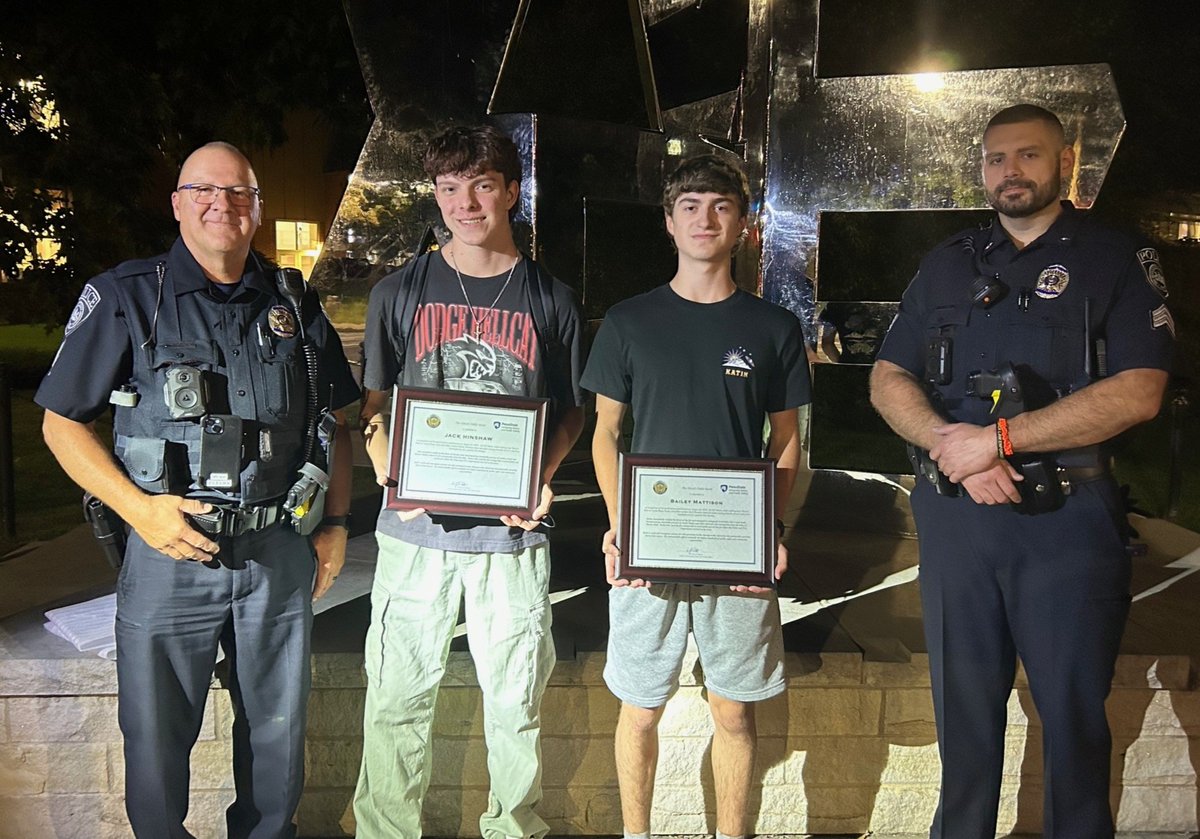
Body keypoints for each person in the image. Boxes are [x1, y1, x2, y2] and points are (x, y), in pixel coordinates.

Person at [36, 141, 358, 838]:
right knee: (156, 738)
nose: (223, 205)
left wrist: (335, 523)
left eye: (239, 193)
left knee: (277, 740)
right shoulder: (127, 295)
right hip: (170, 549)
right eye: (205, 191)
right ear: (178, 203)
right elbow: (62, 424)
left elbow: (337, 421)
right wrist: (138, 510)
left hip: (276, 549)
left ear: (258, 209)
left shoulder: (293, 303)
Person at [870, 104, 1173, 838]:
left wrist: (998, 440)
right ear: (982, 169)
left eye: (1029, 156)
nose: (1012, 171)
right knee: (963, 717)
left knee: (1072, 719)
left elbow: (1140, 389)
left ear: (1065, 163)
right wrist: (952, 442)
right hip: (959, 522)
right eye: (997, 158)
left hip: (1065, 525)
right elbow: (887, 377)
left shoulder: (1114, 259)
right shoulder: (947, 262)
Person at [353, 125, 586, 839]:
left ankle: (514, 828)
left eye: (481, 184)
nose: (465, 202)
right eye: (449, 187)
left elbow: (572, 410)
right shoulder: (400, 291)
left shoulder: (551, 298)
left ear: (512, 190)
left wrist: (538, 479)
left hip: (511, 541)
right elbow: (373, 408)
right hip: (413, 536)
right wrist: (391, 466)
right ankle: (385, 831)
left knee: (515, 705)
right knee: (396, 700)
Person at [582, 155, 810, 839]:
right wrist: (621, 526)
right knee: (641, 707)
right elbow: (604, 434)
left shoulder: (773, 327)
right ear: (669, 221)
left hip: (734, 553)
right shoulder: (628, 321)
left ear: (744, 222)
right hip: (646, 548)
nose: (704, 218)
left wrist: (767, 527)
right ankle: (637, 834)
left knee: (735, 710)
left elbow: (788, 440)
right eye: (689, 205)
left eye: (720, 205)